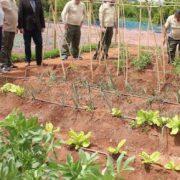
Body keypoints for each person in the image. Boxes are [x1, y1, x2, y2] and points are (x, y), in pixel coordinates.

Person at [18, 0, 45, 66]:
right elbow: (20, 14)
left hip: (37, 27)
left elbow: (41, 13)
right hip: (27, 27)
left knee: (39, 43)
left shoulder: (38, 1)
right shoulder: (22, 2)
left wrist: (43, 25)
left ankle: (39, 61)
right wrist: (20, 27)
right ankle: (28, 61)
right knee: (27, 44)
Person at [0, 0, 18, 72]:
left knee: (10, 46)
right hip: (6, 28)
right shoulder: (3, 1)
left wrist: (16, 26)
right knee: (4, 47)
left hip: (13, 28)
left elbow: (15, 13)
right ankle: (3, 64)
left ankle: (9, 63)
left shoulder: (14, 2)